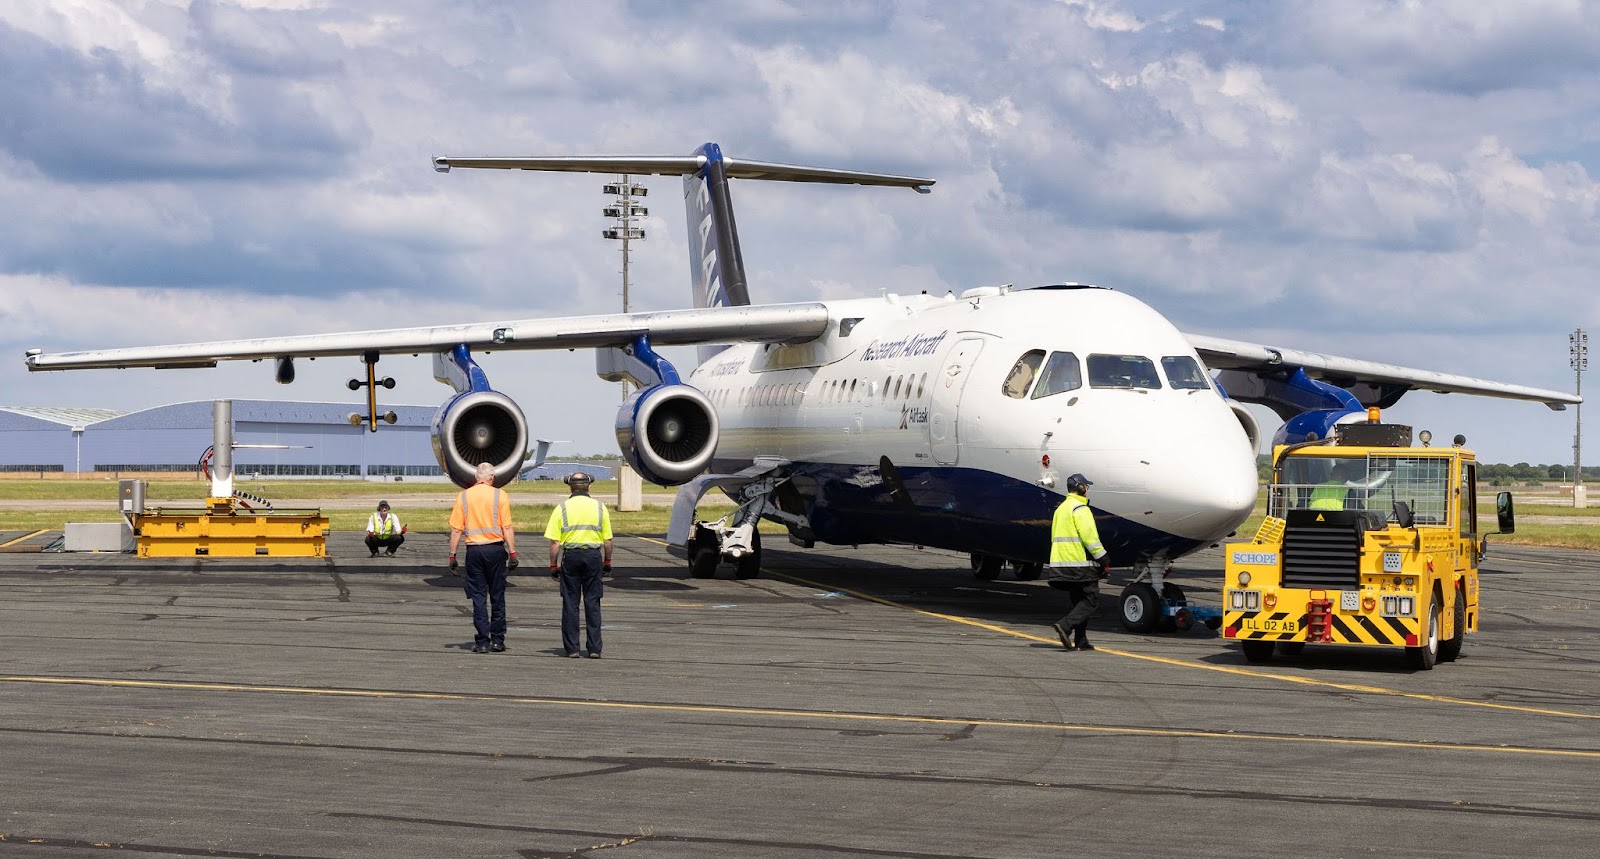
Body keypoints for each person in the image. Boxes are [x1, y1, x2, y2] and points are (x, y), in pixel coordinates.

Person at [448, 462, 518, 654]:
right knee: (497, 596)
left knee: (478, 597)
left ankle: (482, 642)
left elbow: (456, 530)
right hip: (495, 550)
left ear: (476, 477)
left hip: (474, 551)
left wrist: (452, 556)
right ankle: (497, 640)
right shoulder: (500, 495)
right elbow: (507, 527)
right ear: (491, 477)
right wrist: (512, 553)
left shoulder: (463, 496)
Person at [544, 471, 613, 658]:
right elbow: (608, 540)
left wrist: (553, 565)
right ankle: (594, 649)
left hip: (571, 557)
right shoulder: (600, 507)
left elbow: (555, 543)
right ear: (588, 486)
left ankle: (572, 648)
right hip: (593, 557)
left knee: (570, 603)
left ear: (570, 487)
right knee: (592, 602)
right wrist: (607, 561)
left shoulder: (562, 508)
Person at [1047, 473, 1109, 652]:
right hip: (1078, 563)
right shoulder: (1080, 509)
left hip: (1061, 563)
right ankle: (1065, 626)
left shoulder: (1061, 508)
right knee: (1091, 600)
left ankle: (1081, 640)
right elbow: (1090, 538)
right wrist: (1103, 558)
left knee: (1079, 601)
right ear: (1081, 487)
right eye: (1086, 486)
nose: (1087, 489)